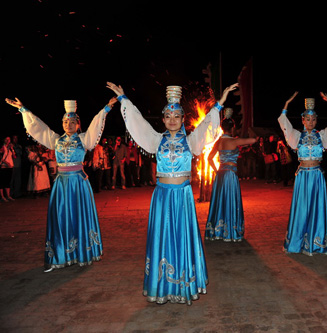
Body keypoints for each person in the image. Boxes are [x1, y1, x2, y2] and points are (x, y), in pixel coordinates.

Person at [106, 81, 238, 305]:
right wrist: (124, 99)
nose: (172, 119)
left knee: (182, 238)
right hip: (163, 197)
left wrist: (220, 103)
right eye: (168, 116)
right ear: (163, 119)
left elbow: (207, 125)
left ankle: (184, 283)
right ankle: (162, 286)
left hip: (183, 197)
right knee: (163, 238)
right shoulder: (156, 140)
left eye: (176, 115)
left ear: (183, 118)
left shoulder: (191, 141)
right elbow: (138, 123)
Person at [5, 97, 116, 272]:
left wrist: (106, 108)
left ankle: (82, 252)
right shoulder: (56, 140)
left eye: (72, 122)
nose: (68, 124)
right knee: (61, 218)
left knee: (79, 217)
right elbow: (39, 128)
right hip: (62, 184)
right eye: (65, 121)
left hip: (78, 183)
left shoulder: (83, 139)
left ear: (78, 124)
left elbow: (95, 125)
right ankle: (63, 252)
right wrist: (23, 110)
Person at [278, 92, 327, 255]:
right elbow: (283, 122)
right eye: (308, 119)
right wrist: (286, 104)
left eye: (313, 119)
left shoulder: (322, 136)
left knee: (316, 208)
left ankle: (315, 242)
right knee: (301, 208)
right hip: (303, 176)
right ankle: (296, 242)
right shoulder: (296, 136)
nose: (311, 122)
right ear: (303, 120)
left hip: (316, 176)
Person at [205, 108, 257, 242]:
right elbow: (253, 140)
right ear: (232, 128)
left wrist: (217, 171)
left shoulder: (218, 142)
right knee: (230, 201)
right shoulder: (234, 141)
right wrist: (250, 131)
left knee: (220, 202)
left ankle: (217, 231)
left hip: (221, 174)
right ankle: (231, 232)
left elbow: (209, 158)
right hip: (230, 175)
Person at [0, 136, 16, 201]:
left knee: (8, 181)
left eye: (9, 139)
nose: (8, 140)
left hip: (10, 166)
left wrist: (12, 149)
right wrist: (6, 162)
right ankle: (2, 196)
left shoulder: (10, 148)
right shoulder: (2, 147)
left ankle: (8, 196)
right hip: (3, 166)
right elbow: (1, 157)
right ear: (4, 140)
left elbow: (14, 156)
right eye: (6, 139)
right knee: (2, 182)